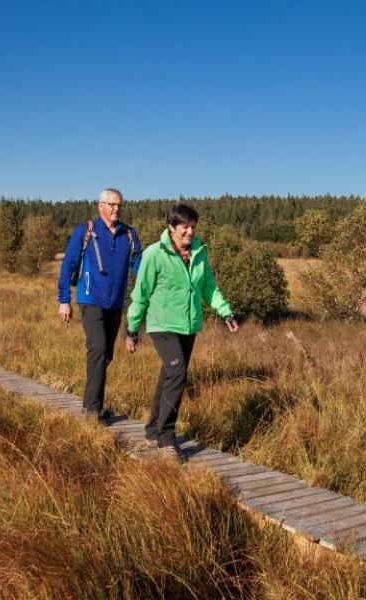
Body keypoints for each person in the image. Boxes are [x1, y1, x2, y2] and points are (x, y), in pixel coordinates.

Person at [125, 203, 239, 459]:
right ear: (171, 227)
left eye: (193, 227)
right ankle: (166, 439)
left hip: (188, 325)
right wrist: (132, 329)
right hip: (162, 324)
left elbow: (208, 287)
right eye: (184, 227)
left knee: (169, 374)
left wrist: (226, 312)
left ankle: (152, 430)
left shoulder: (199, 252)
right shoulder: (155, 254)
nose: (190, 232)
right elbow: (141, 293)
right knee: (177, 373)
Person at [57, 188, 142, 421]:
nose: (116, 209)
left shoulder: (129, 235)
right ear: (100, 206)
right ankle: (92, 412)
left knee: (106, 355)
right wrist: (64, 300)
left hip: (115, 303)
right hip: (90, 298)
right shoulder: (86, 231)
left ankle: (92, 404)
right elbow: (68, 265)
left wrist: (155, 288)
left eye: (119, 205)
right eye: (112, 204)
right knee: (98, 348)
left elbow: (141, 268)